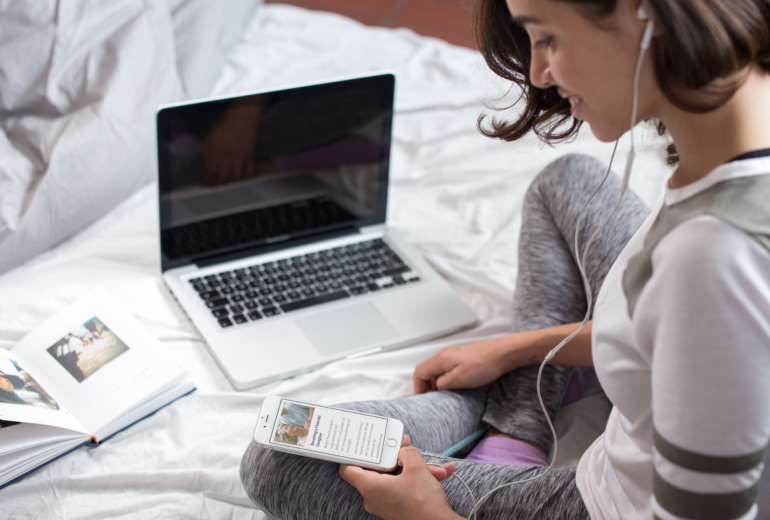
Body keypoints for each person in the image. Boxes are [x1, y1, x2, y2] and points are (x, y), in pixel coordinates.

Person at [241, 0, 770, 518]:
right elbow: (692, 333)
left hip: (615, 500)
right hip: (679, 378)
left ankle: (509, 428)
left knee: (285, 460)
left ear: (647, 14)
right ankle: (524, 406)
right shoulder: (735, 159)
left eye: (546, 37)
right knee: (567, 182)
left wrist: (425, 515)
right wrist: (513, 351)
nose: (539, 74)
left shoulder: (711, 259)